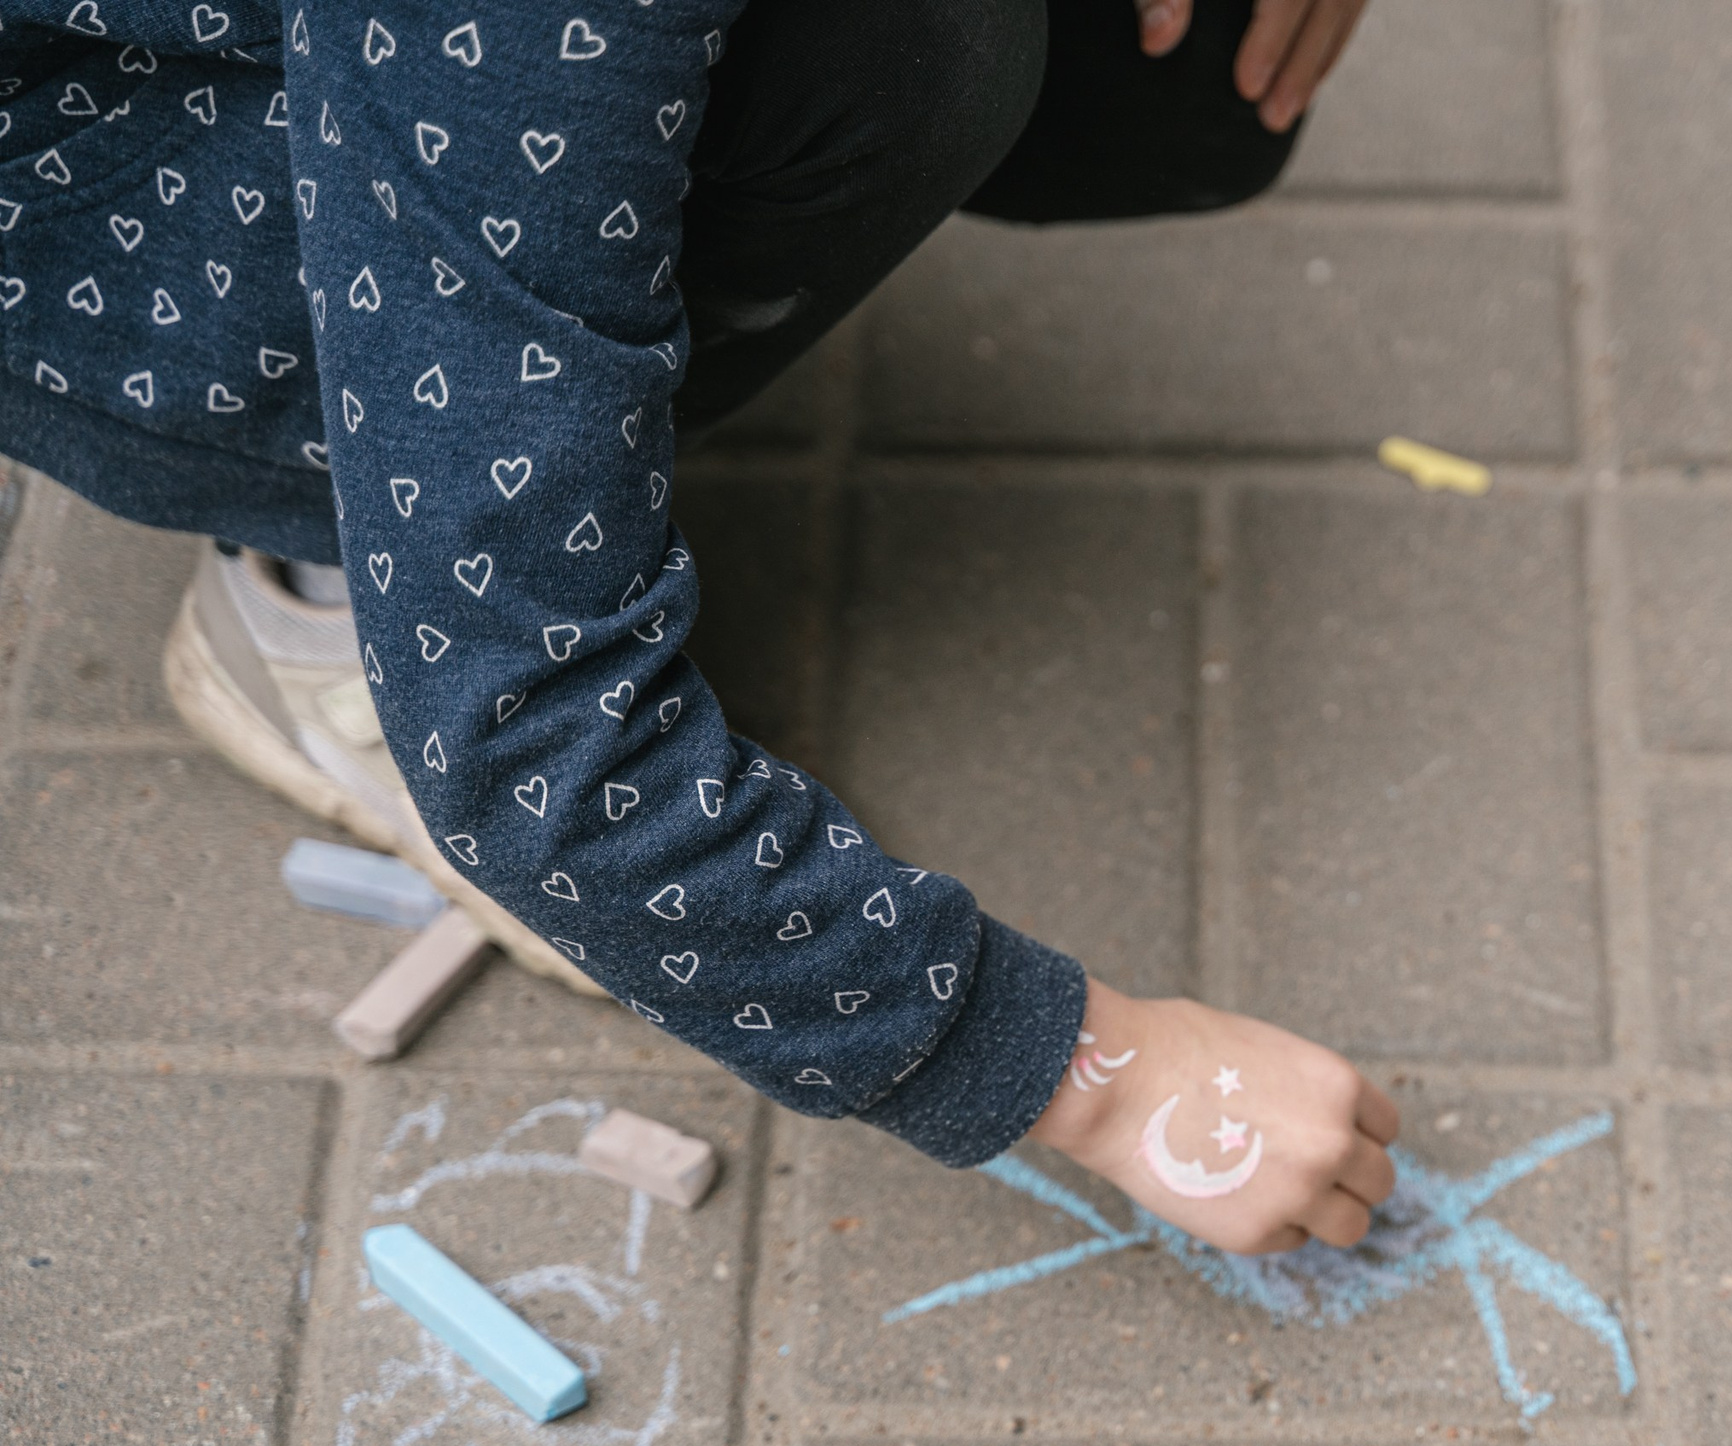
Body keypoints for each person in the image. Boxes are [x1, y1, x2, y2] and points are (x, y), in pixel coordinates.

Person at [0, 0, 1396, 1253]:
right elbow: (539, 751)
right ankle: (326, 603)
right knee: (913, 44)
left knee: (1165, 76)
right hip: (91, 241)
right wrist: (1102, 1076)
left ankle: (498, 350)